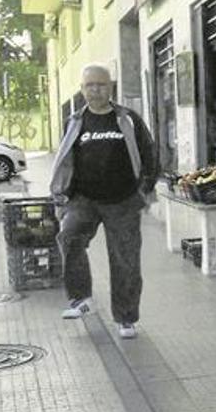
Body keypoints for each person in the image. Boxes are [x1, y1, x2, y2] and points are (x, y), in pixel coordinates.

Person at [50, 64, 158, 339]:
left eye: (101, 84)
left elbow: (149, 154)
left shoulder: (128, 119)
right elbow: (64, 159)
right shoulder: (74, 121)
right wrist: (63, 196)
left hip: (123, 201)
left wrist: (144, 189)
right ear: (82, 89)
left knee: (125, 260)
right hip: (83, 199)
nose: (95, 90)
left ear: (110, 87)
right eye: (90, 86)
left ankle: (126, 318)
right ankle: (81, 298)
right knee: (69, 236)